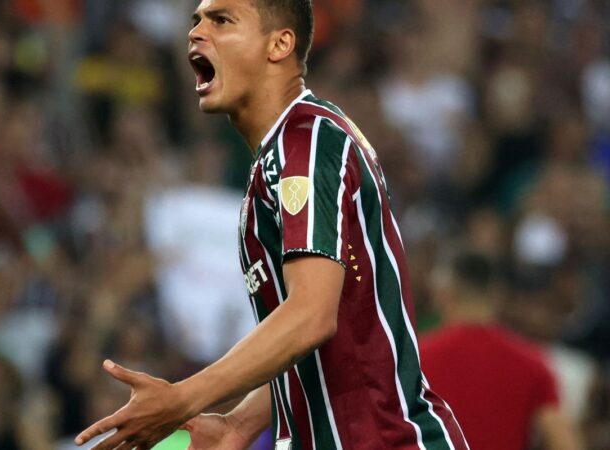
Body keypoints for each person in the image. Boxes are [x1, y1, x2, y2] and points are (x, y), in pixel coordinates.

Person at [75, 1, 469, 449]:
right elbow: (331, 324)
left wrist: (182, 398)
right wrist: (240, 422)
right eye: (197, 20)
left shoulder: (307, 143)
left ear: (280, 44)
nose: (196, 33)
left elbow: (311, 317)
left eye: (221, 20)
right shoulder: (282, 157)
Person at [421, 251, 581, 450]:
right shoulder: (532, 364)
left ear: (443, 293)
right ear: (497, 294)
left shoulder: (417, 360)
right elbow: (564, 443)